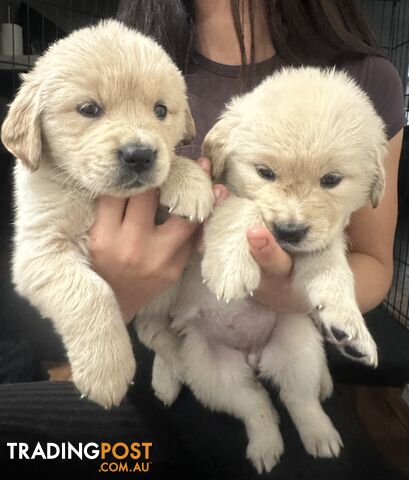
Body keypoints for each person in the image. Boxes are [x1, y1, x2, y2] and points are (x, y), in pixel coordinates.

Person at [0, 1, 406, 479]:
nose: (140, 141)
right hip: (157, 350)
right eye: (90, 109)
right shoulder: (135, 40)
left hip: (285, 345)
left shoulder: (360, 79)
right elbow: (45, 275)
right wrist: (120, 300)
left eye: (160, 111)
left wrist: (286, 293)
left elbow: (374, 260)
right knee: (28, 449)